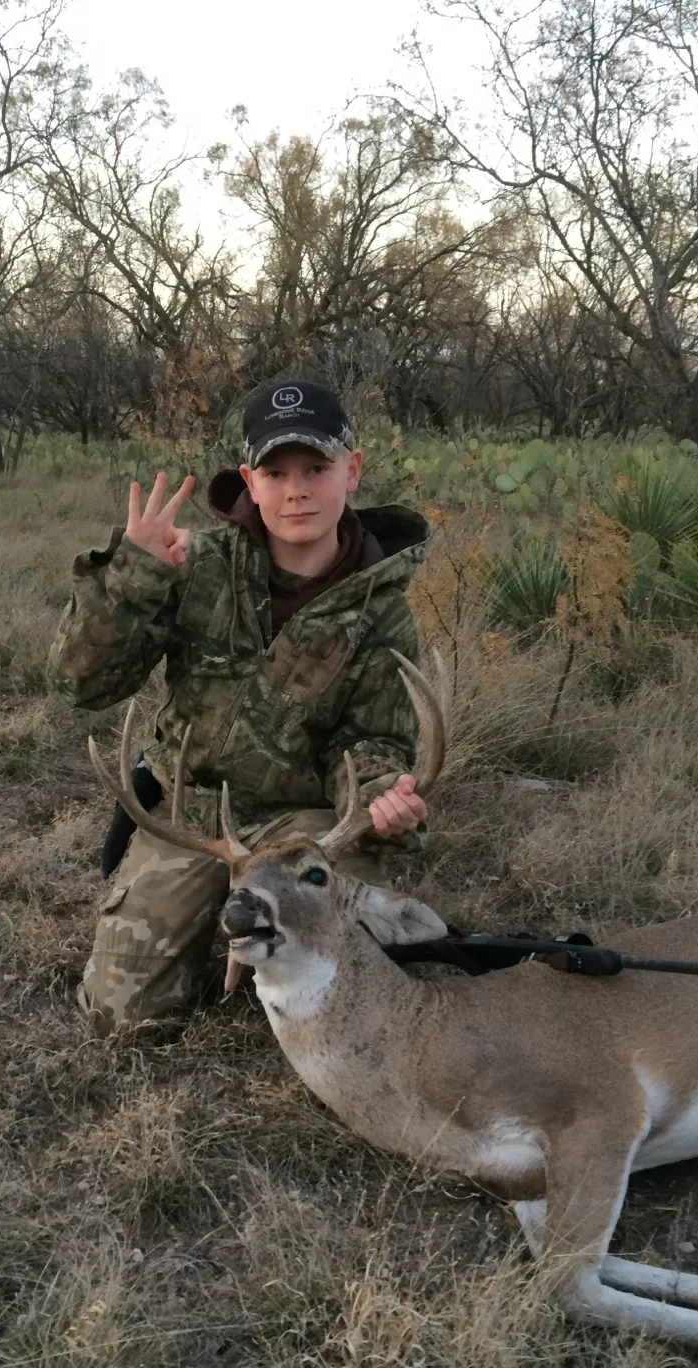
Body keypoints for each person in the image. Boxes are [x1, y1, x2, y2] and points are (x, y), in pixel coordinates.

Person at [48, 378, 431, 1034]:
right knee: (122, 1016)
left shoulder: (382, 611)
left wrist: (380, 797)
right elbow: (80, 686)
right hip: (192, 817)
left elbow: (374, 739)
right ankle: (196, 921)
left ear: (353, 471)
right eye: (276, 472)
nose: (297, 489)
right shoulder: (194, 565)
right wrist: (132, 579)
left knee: (389, 969)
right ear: (250, 482)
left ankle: (277, 935)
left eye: (316, 468)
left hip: (302, 826)